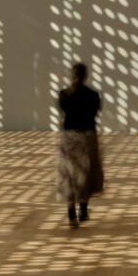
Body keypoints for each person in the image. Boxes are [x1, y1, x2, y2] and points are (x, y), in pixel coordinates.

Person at [57, 62, 104, 227]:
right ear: (86, 76)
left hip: (69, 137)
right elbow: (94, 112)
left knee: (68, 175)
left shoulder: (64, 95)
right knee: (85, 174)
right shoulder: (93, 95)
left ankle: (71, 213)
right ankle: (83, 210)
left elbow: (64, 111)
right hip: (87, 137)